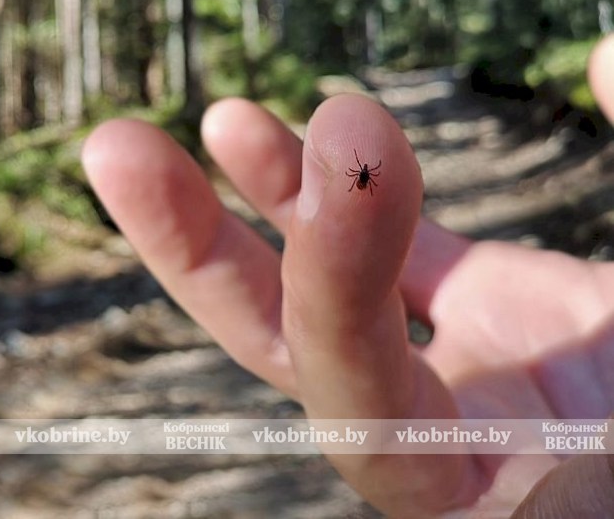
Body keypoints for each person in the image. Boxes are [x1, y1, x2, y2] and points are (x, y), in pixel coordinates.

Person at [82, 35, 614, 518]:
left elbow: (369, 174)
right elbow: (367, 174)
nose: (363, 173)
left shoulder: (365, 174)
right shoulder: (364, 174)